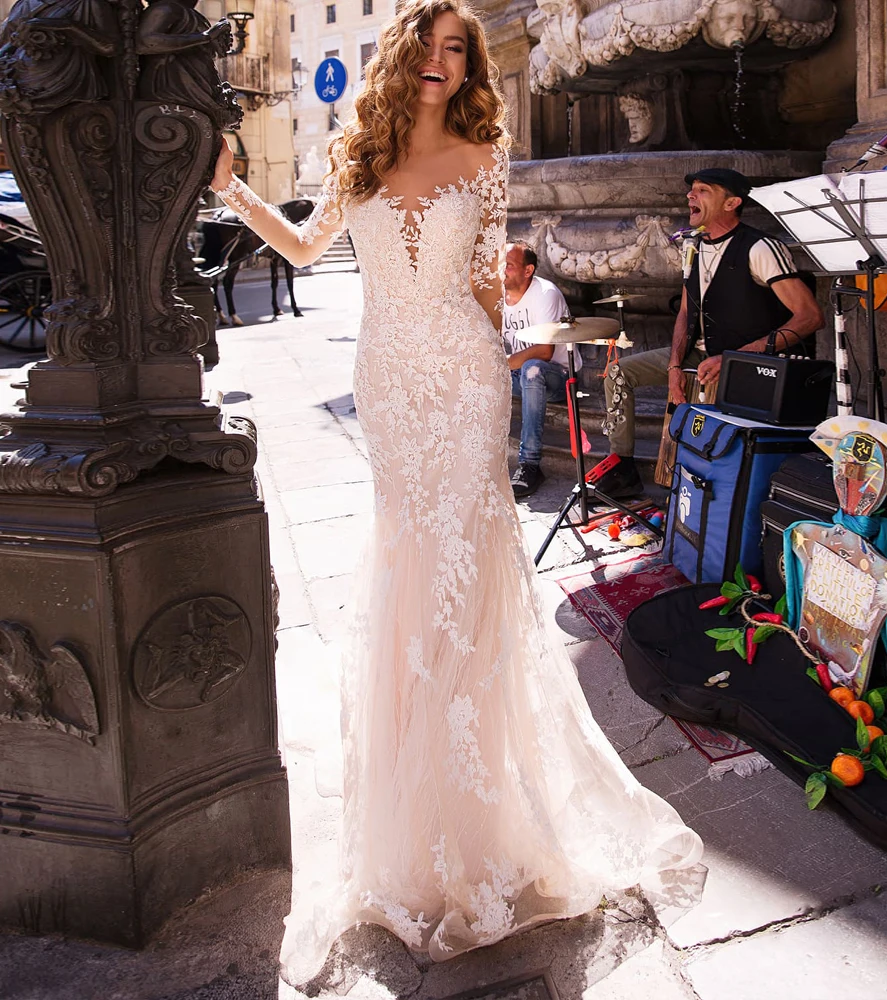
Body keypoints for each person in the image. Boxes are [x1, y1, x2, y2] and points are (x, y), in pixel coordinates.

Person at [208, 0, 704, 985]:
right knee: (409, 573)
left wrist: (519, 346)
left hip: (466, 378)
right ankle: (412, 822)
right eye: (430, 46)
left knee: (470, 578)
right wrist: (229, 189)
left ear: (468, 67)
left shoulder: (485, 157)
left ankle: (483, 819)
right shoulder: (359, 156)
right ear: (403, 56)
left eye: (458, 50)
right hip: (389, 380)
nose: (442, 61)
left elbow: (486, 282)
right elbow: (303, 250)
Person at [593, 167, 824, 499]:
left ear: (732, 203)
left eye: (703, 190)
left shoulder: (760, 248)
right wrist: (674, 366)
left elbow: (810, 317)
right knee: (617, 372)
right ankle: (623, 466)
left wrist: (740, 356)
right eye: (691, 190)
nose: (690, 195)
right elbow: (687, 312)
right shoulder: (694, 246)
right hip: (699, 355)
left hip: (747, 364)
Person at [503, 241, 575, 498]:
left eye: (509, 265)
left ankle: (530, 464)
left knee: (532, 369)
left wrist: (503, 364)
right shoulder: (498, 296)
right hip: (517, 373)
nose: (502, 269)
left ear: (527, 270)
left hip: (557, 377)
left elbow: (545, 351)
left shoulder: (545, 293)